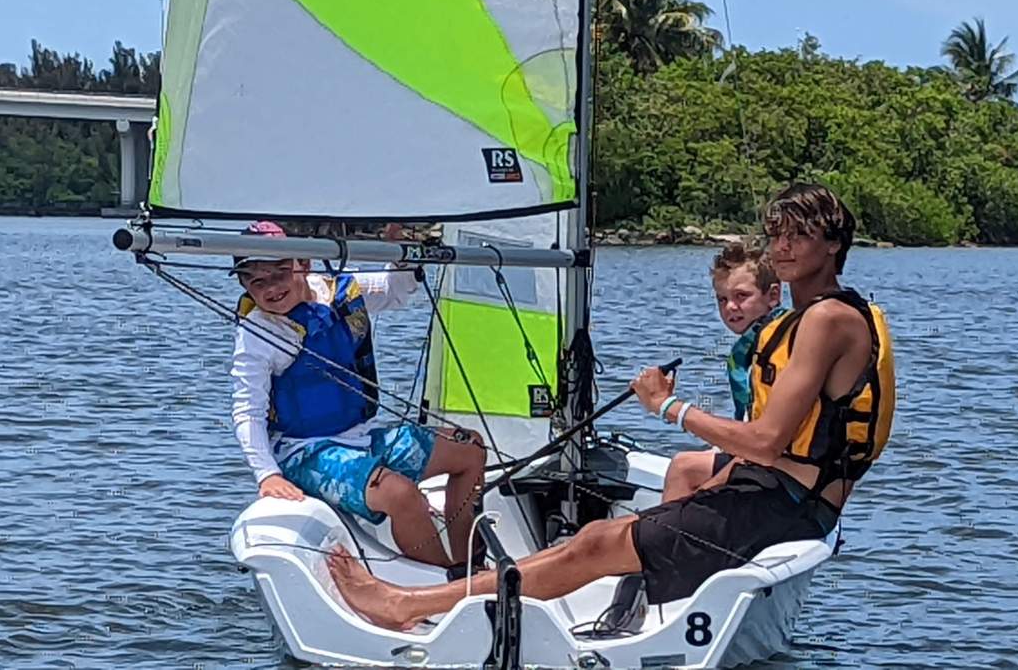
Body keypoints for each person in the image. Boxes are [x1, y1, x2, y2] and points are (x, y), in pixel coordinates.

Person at [326, 183, 897, 630]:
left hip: (786, 506)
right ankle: (644, 586)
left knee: (596, 543)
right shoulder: (814, 316)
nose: (784, 247)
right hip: (770, 494)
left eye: (800, 235)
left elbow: (768, 440)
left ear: (834, 244)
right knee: (607, 529)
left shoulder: (827, 318)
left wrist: (667, 406)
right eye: (777, 235)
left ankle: (406, 603)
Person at [230, 220, 486, 569]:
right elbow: (247, 410)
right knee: (400, 494)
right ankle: (448, 584)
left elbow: (395, 289)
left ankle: (469, 564)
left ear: (303, 264)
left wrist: (402, 253)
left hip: (361, 439)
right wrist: (267, 474)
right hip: (306, 452)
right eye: (256, 281)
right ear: (245, 285)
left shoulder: (339, 290)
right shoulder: (259, 332)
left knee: (469, 449)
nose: (271, 288)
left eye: (280, 271)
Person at [662, 242, 786, 503]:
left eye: (741, 296)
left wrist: (665, 405)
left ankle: (667, 536)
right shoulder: (755, 343)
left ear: (773, 296)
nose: (730, 307)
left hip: (777, 466)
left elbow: (767, 434)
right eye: (722, 299)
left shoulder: (776, 348)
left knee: (683, 468)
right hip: (762, 455)